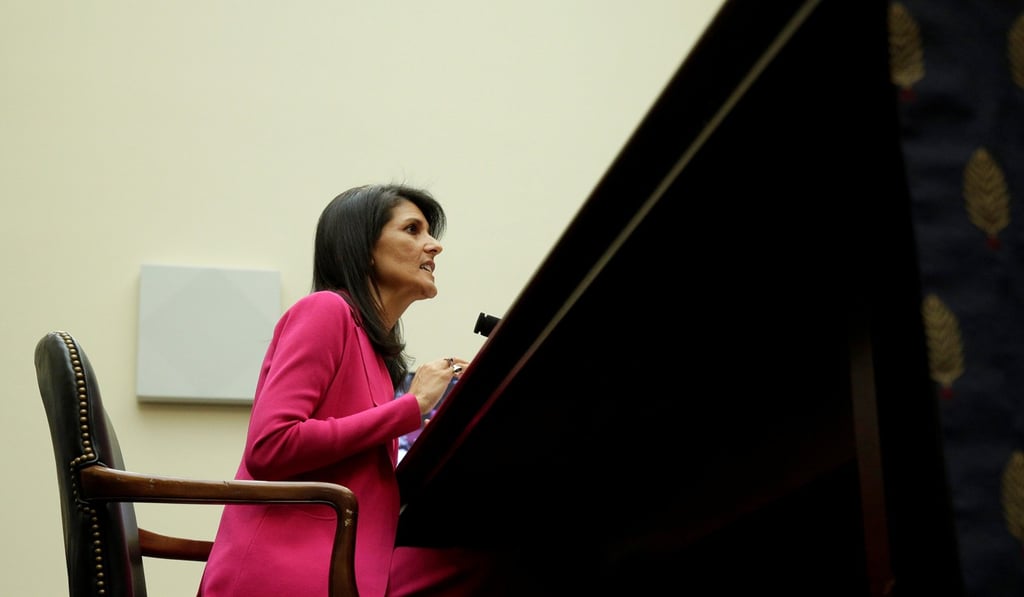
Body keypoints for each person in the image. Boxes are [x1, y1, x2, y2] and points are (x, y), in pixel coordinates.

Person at [197, 184, 497, 597]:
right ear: (364, 248)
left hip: (354, 568)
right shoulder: (325, 310)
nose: (434, 246)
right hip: (290, 575)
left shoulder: (376, 355)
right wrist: (412, 406)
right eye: (413, 230)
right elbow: (270, 446)